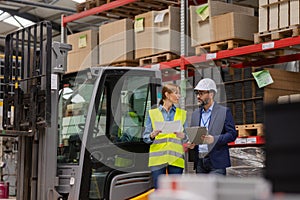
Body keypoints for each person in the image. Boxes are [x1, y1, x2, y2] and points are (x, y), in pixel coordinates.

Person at [143, 83, 189, 189]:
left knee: (175, 191)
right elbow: (145, 138)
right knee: (159, 191)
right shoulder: (152, 113)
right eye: (176, 93)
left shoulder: (182, 114)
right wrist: (152, 135)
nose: (179, 96)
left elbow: (187, 137)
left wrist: (183, 136)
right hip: (158, 160)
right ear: (167, 95)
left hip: (176, 158)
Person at [190, 78, 237, 175]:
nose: (198, 96)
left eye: (201, 93)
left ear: (211, 94)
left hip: (217, 162)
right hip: (200, 162)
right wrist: (191, 143)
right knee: (202, 190)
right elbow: (193, 135)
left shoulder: (223, 112)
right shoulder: (195, 114)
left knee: (215, 190)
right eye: (197, 94)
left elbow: (232, 134)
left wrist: (214, 139)